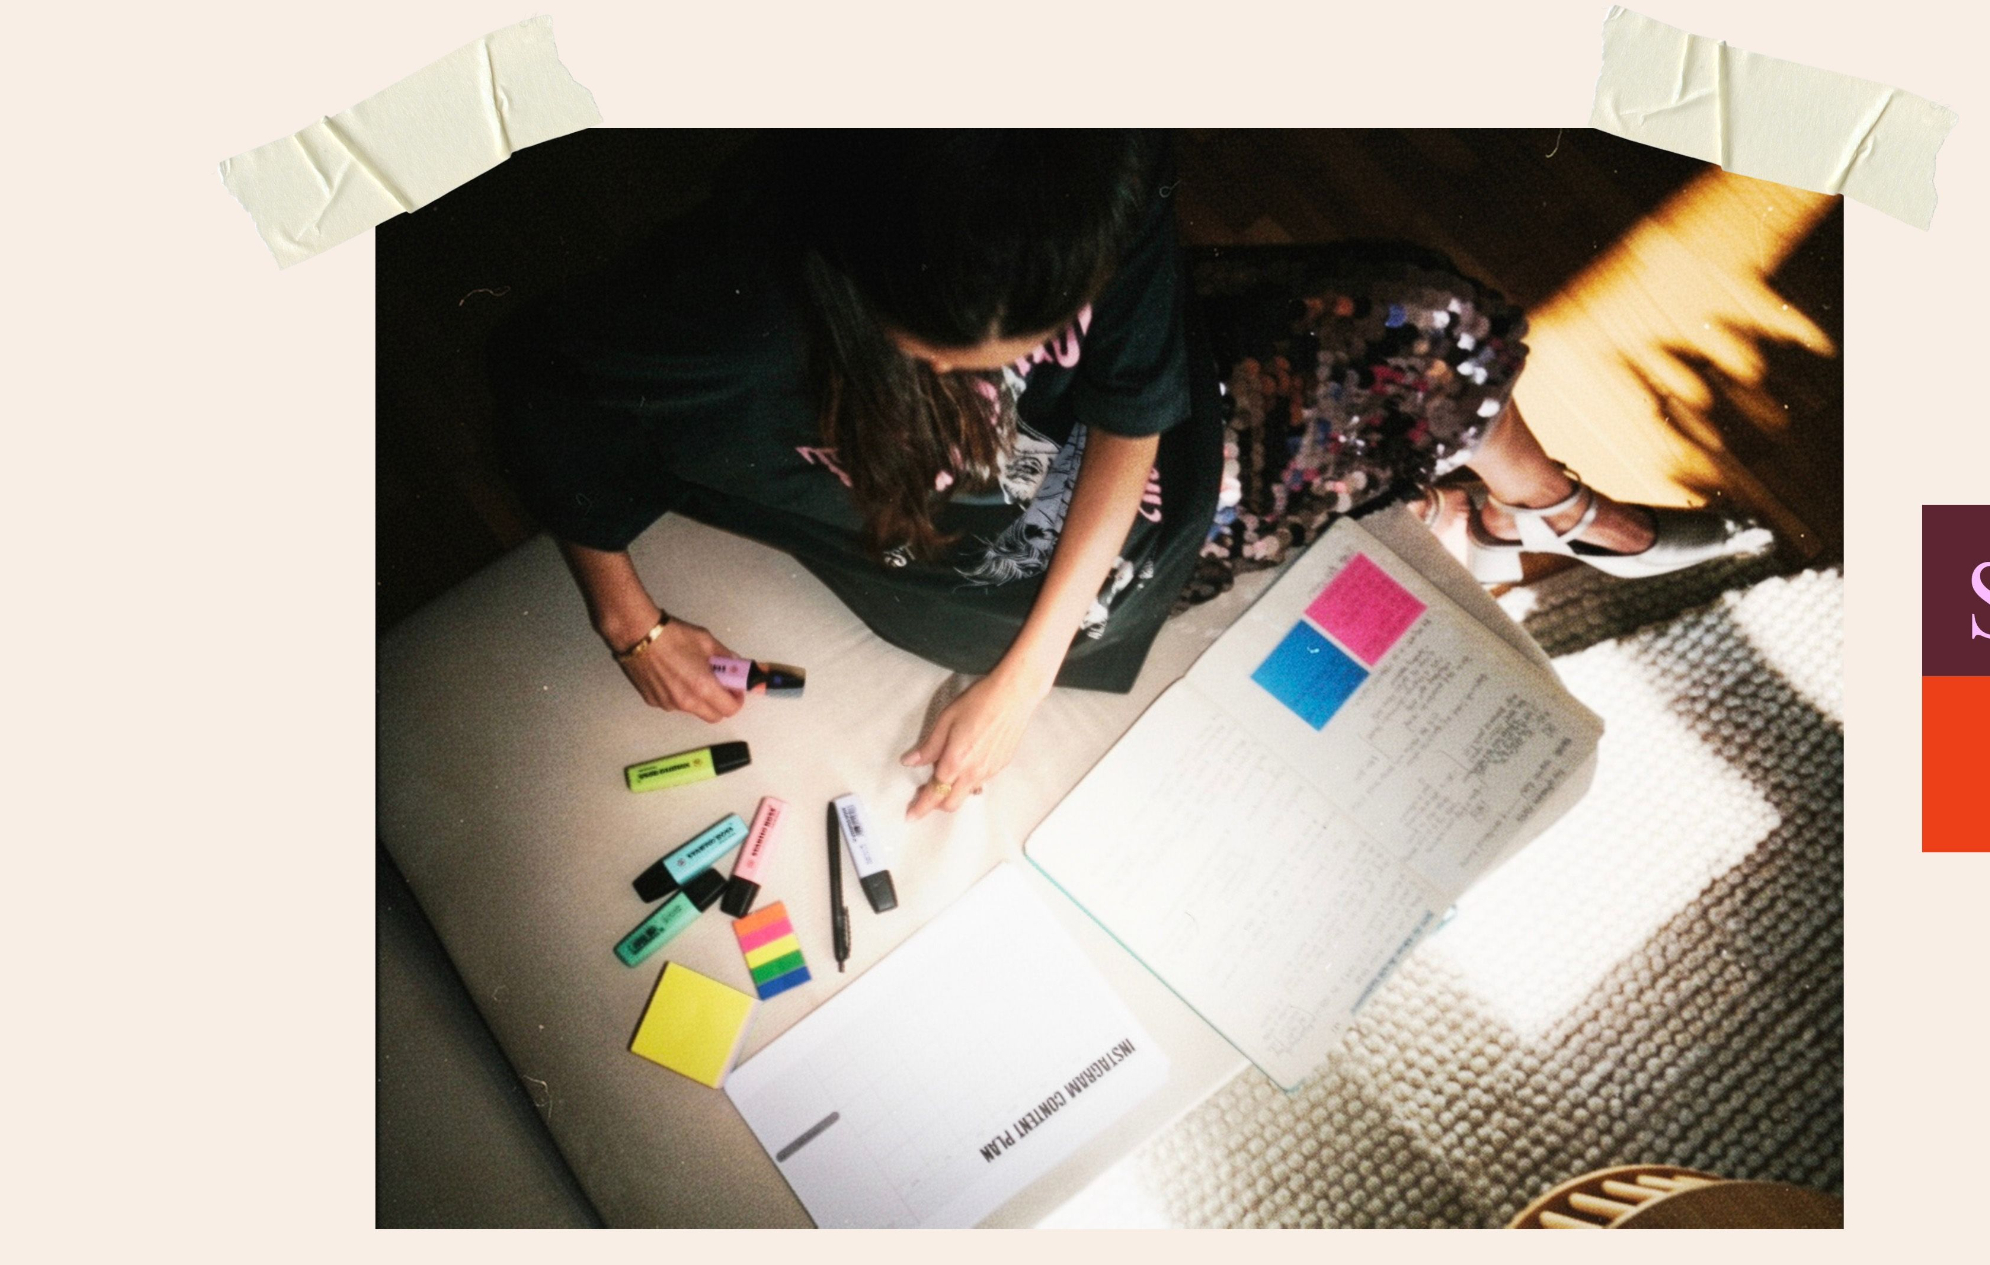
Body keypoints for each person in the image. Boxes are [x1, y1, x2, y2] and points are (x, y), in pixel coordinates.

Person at [489, 130, 1768, 822]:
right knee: (1325, 451)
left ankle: (1543, 506)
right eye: (947, 358)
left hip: (1144, 488)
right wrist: (629, 620)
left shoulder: (1090, 164)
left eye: (1048, 327)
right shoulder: (718, 318)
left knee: (1438, 325)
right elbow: (546, 389)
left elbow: (1135, 403)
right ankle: (1453, 512)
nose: (1010, 368)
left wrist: (1023, 680)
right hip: (1000, 559)